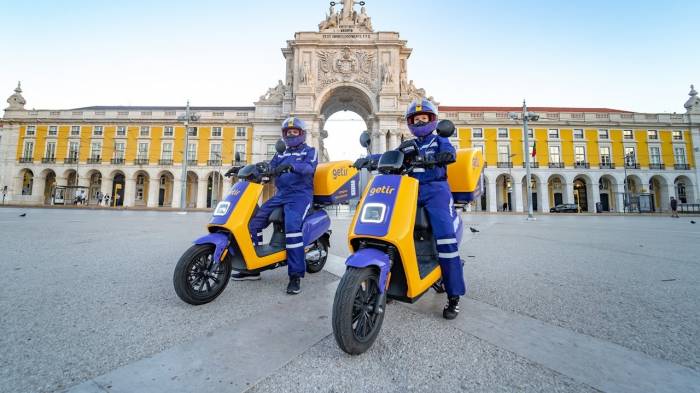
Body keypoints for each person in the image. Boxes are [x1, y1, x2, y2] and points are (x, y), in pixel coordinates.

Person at [231, 117, 318, 295]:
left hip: (300, 196)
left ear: (301, 134)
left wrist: (292, 167)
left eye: (294, 132)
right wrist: (243, 170)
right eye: (288, 132)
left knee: (292, 228)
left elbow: (310, 168)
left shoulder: (310, 151)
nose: (291, 134)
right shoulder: (280, 154)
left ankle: (295, 276)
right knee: (253, 223)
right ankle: (253, 267)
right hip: (281, 195)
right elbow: (269, 168)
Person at [400, 98, 466, 319]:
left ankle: (454, 296)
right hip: (410, 191)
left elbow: (451, 152)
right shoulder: (408, 145)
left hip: (436, 191)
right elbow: (392, 156)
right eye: (415, 119)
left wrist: (444, 156)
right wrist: (368, 159)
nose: (419, 122)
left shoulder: (439, 140)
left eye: (423, 119)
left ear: (431, 120)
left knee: (446, 240)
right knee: (397, 233)